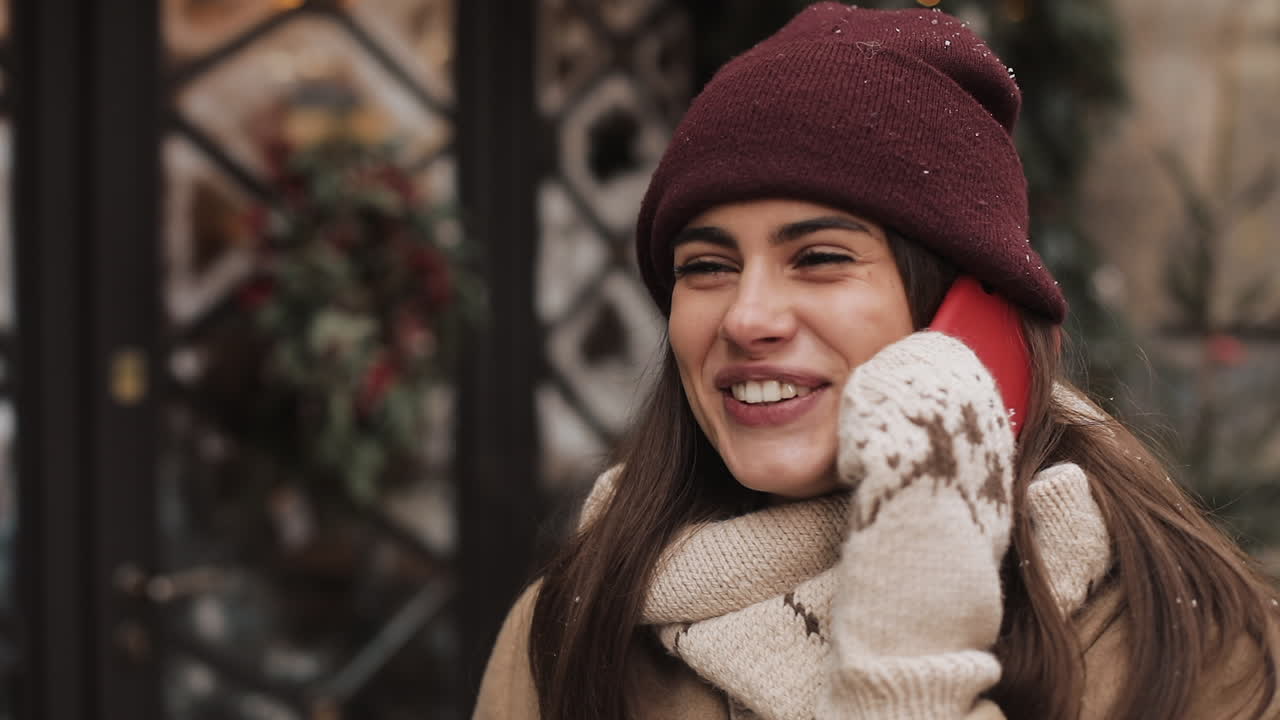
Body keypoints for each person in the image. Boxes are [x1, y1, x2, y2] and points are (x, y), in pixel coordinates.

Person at [473, 4, 1280, 719]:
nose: (747, 317)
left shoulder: (1194, 647)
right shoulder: (570, 632)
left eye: (820, 257)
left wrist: (914, 614)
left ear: (974, 323)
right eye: (706, 267)